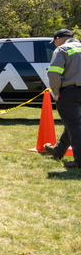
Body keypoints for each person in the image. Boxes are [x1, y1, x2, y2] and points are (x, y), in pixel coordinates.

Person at [44, 28, 81, 169]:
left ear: (59, 38)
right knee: (73, 123)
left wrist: (56, 91)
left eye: (54, 41)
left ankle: (79, 162)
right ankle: (58, 151)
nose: (54, 44)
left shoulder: (62, 50)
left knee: (74, 126)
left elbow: (54, 73)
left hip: (69, 93)